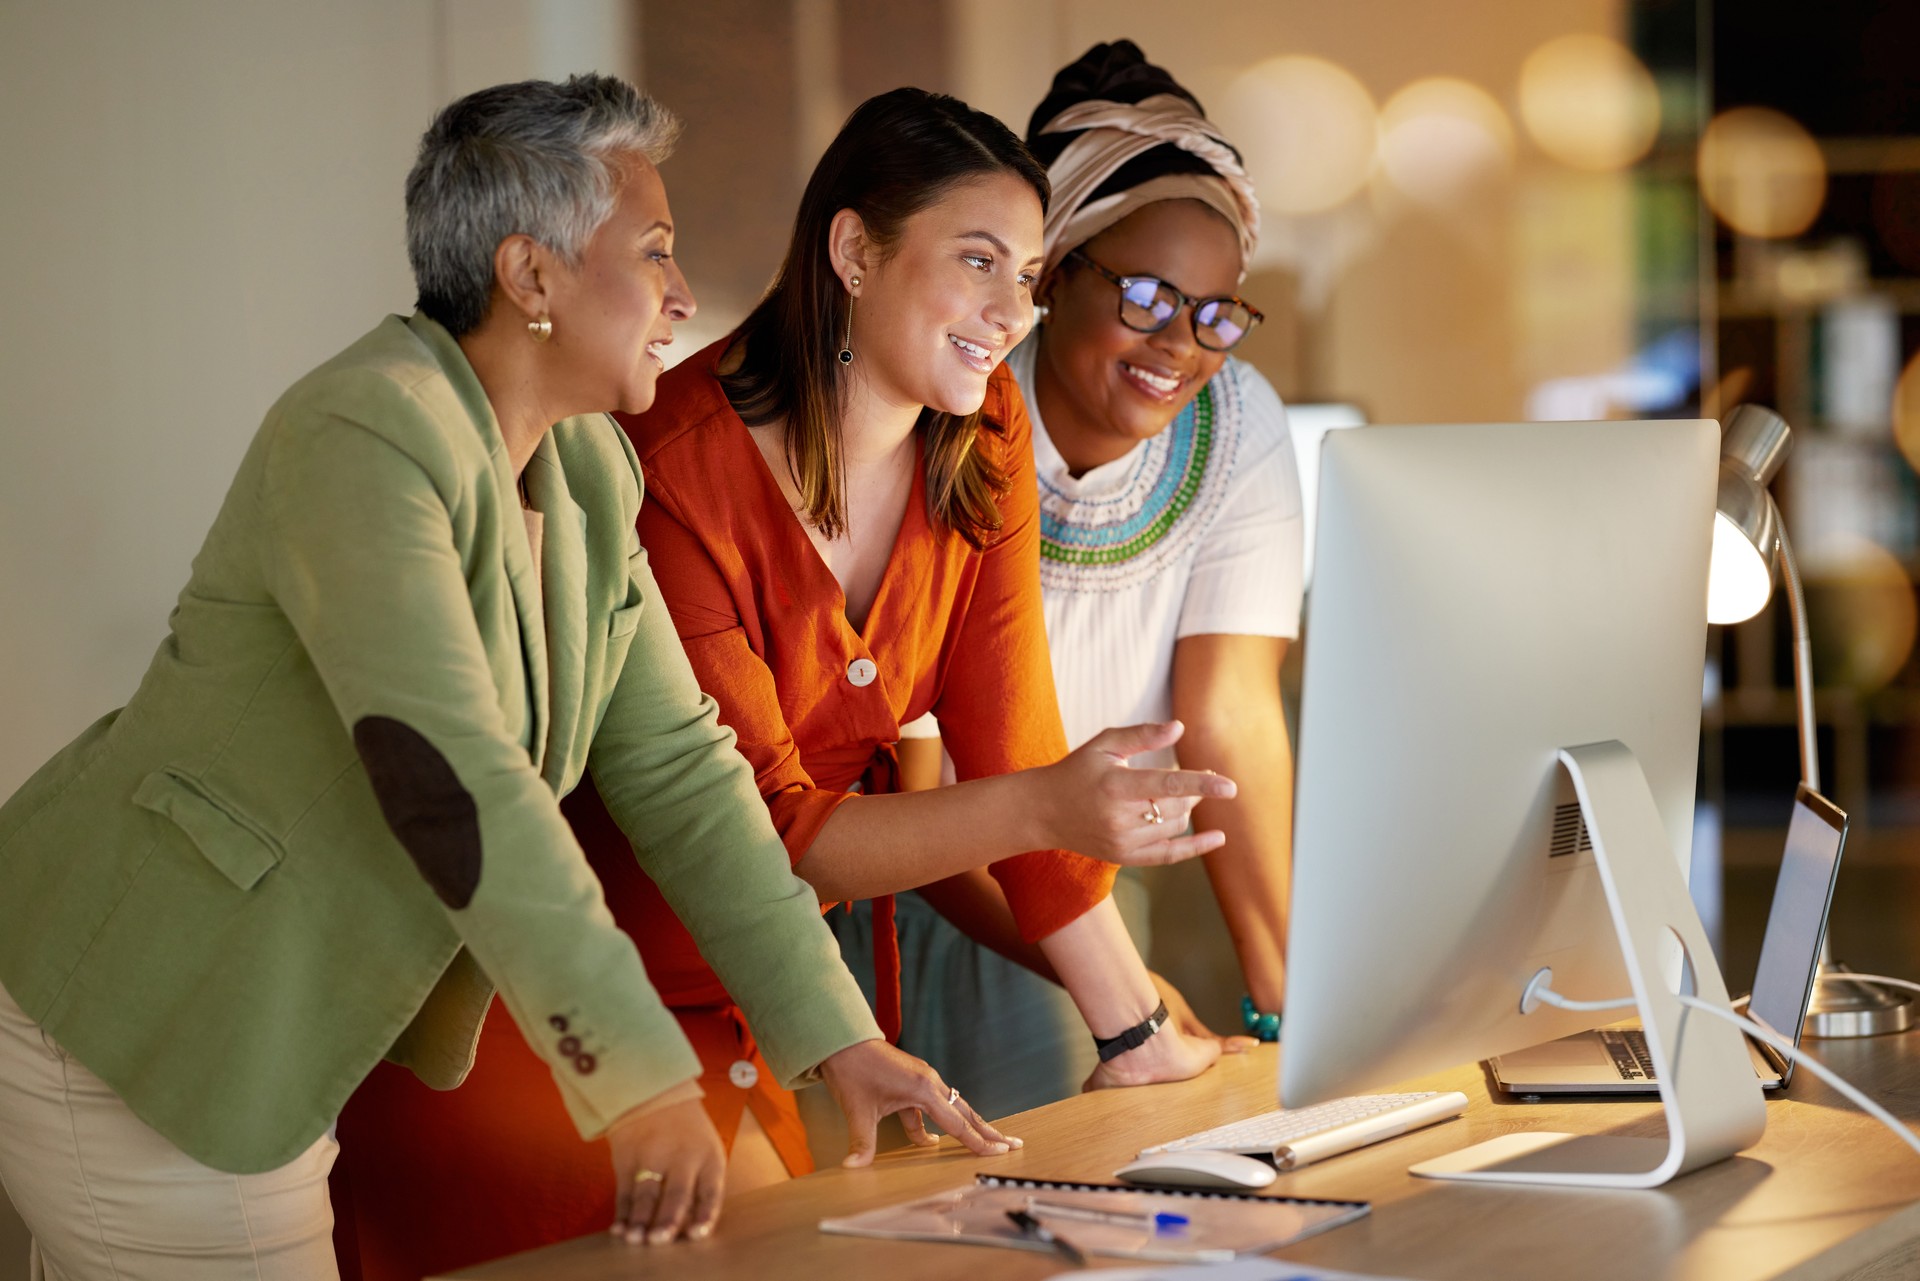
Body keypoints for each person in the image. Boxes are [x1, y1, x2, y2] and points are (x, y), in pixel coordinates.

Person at [0, 75, 1007, 1281]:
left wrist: (835, 1034)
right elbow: (454, 775)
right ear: (531, 279)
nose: (684, 297)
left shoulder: (588, 472)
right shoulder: (363, 431)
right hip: (135, 1007)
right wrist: (634, 1081)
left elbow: (685, 775)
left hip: (263, 1032)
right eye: (654, 252)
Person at [839, 41, 1305, 1119]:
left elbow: (1230, 714)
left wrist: (1287, 991)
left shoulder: (1238, 428)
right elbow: (926, 790)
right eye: (1145, 296)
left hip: (1080, 888)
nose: (1182, 345)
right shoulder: (952, 407)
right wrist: (1124, 999)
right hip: (912, 881)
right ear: (1051, 276)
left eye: (1217, 313)